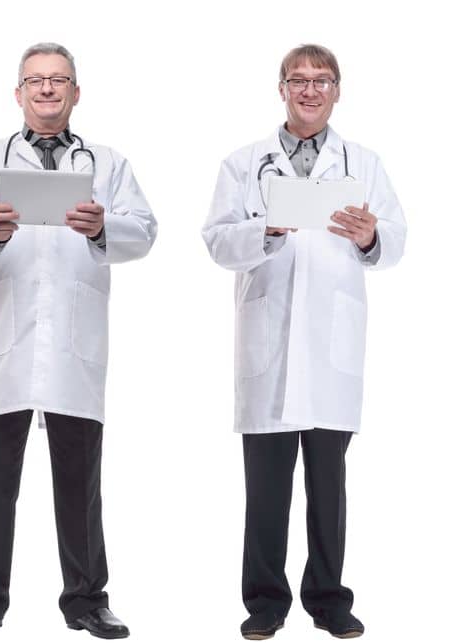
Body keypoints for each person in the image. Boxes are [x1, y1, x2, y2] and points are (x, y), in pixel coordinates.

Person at [0, 42, 156, 640]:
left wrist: (105, 226)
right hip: (8, 341)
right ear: (19, 93)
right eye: (36, 81)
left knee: (80, 480)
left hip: (73, 345)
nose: (48, 89)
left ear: (76, 92)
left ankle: (87, 601)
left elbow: (146, 230)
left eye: (59, 80)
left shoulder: (106, 161)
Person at [201, 44, 405, 641]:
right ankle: (265, 602)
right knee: (265, 490)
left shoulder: (362, 163)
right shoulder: (245, 164)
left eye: (322, 81)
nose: (310, 90)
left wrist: (371, 237)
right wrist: (263, 230)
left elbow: (393, 242)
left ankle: (328, 599)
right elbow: (215, 241)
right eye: (298, 80)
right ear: (282, 88)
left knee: (328, 486)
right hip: (268, 343)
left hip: (331, 348)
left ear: (338, 90)